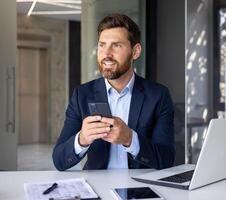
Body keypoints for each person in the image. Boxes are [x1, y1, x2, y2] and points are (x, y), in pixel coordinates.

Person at [52, 14, 175, 171]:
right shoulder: (82, 95)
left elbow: (166, 159)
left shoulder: (158, 96)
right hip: (98, 190)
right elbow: (59, 160)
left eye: (116, 45)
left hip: (140, 189)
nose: (106, 54)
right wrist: (82, 139)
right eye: (102, 45)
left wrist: (130, 139)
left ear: (135, 51)